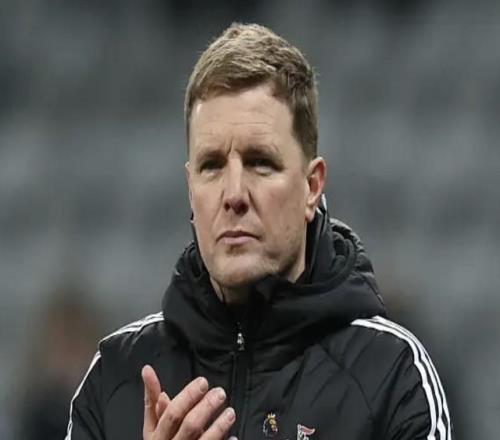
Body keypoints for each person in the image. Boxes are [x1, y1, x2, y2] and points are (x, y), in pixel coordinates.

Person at [65, 23, 453, 440]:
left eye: (260, 163)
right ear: (190, 188)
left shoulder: (391, 375)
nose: (234, 194)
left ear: (311, 187)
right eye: (212, 166)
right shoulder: (114, 378)